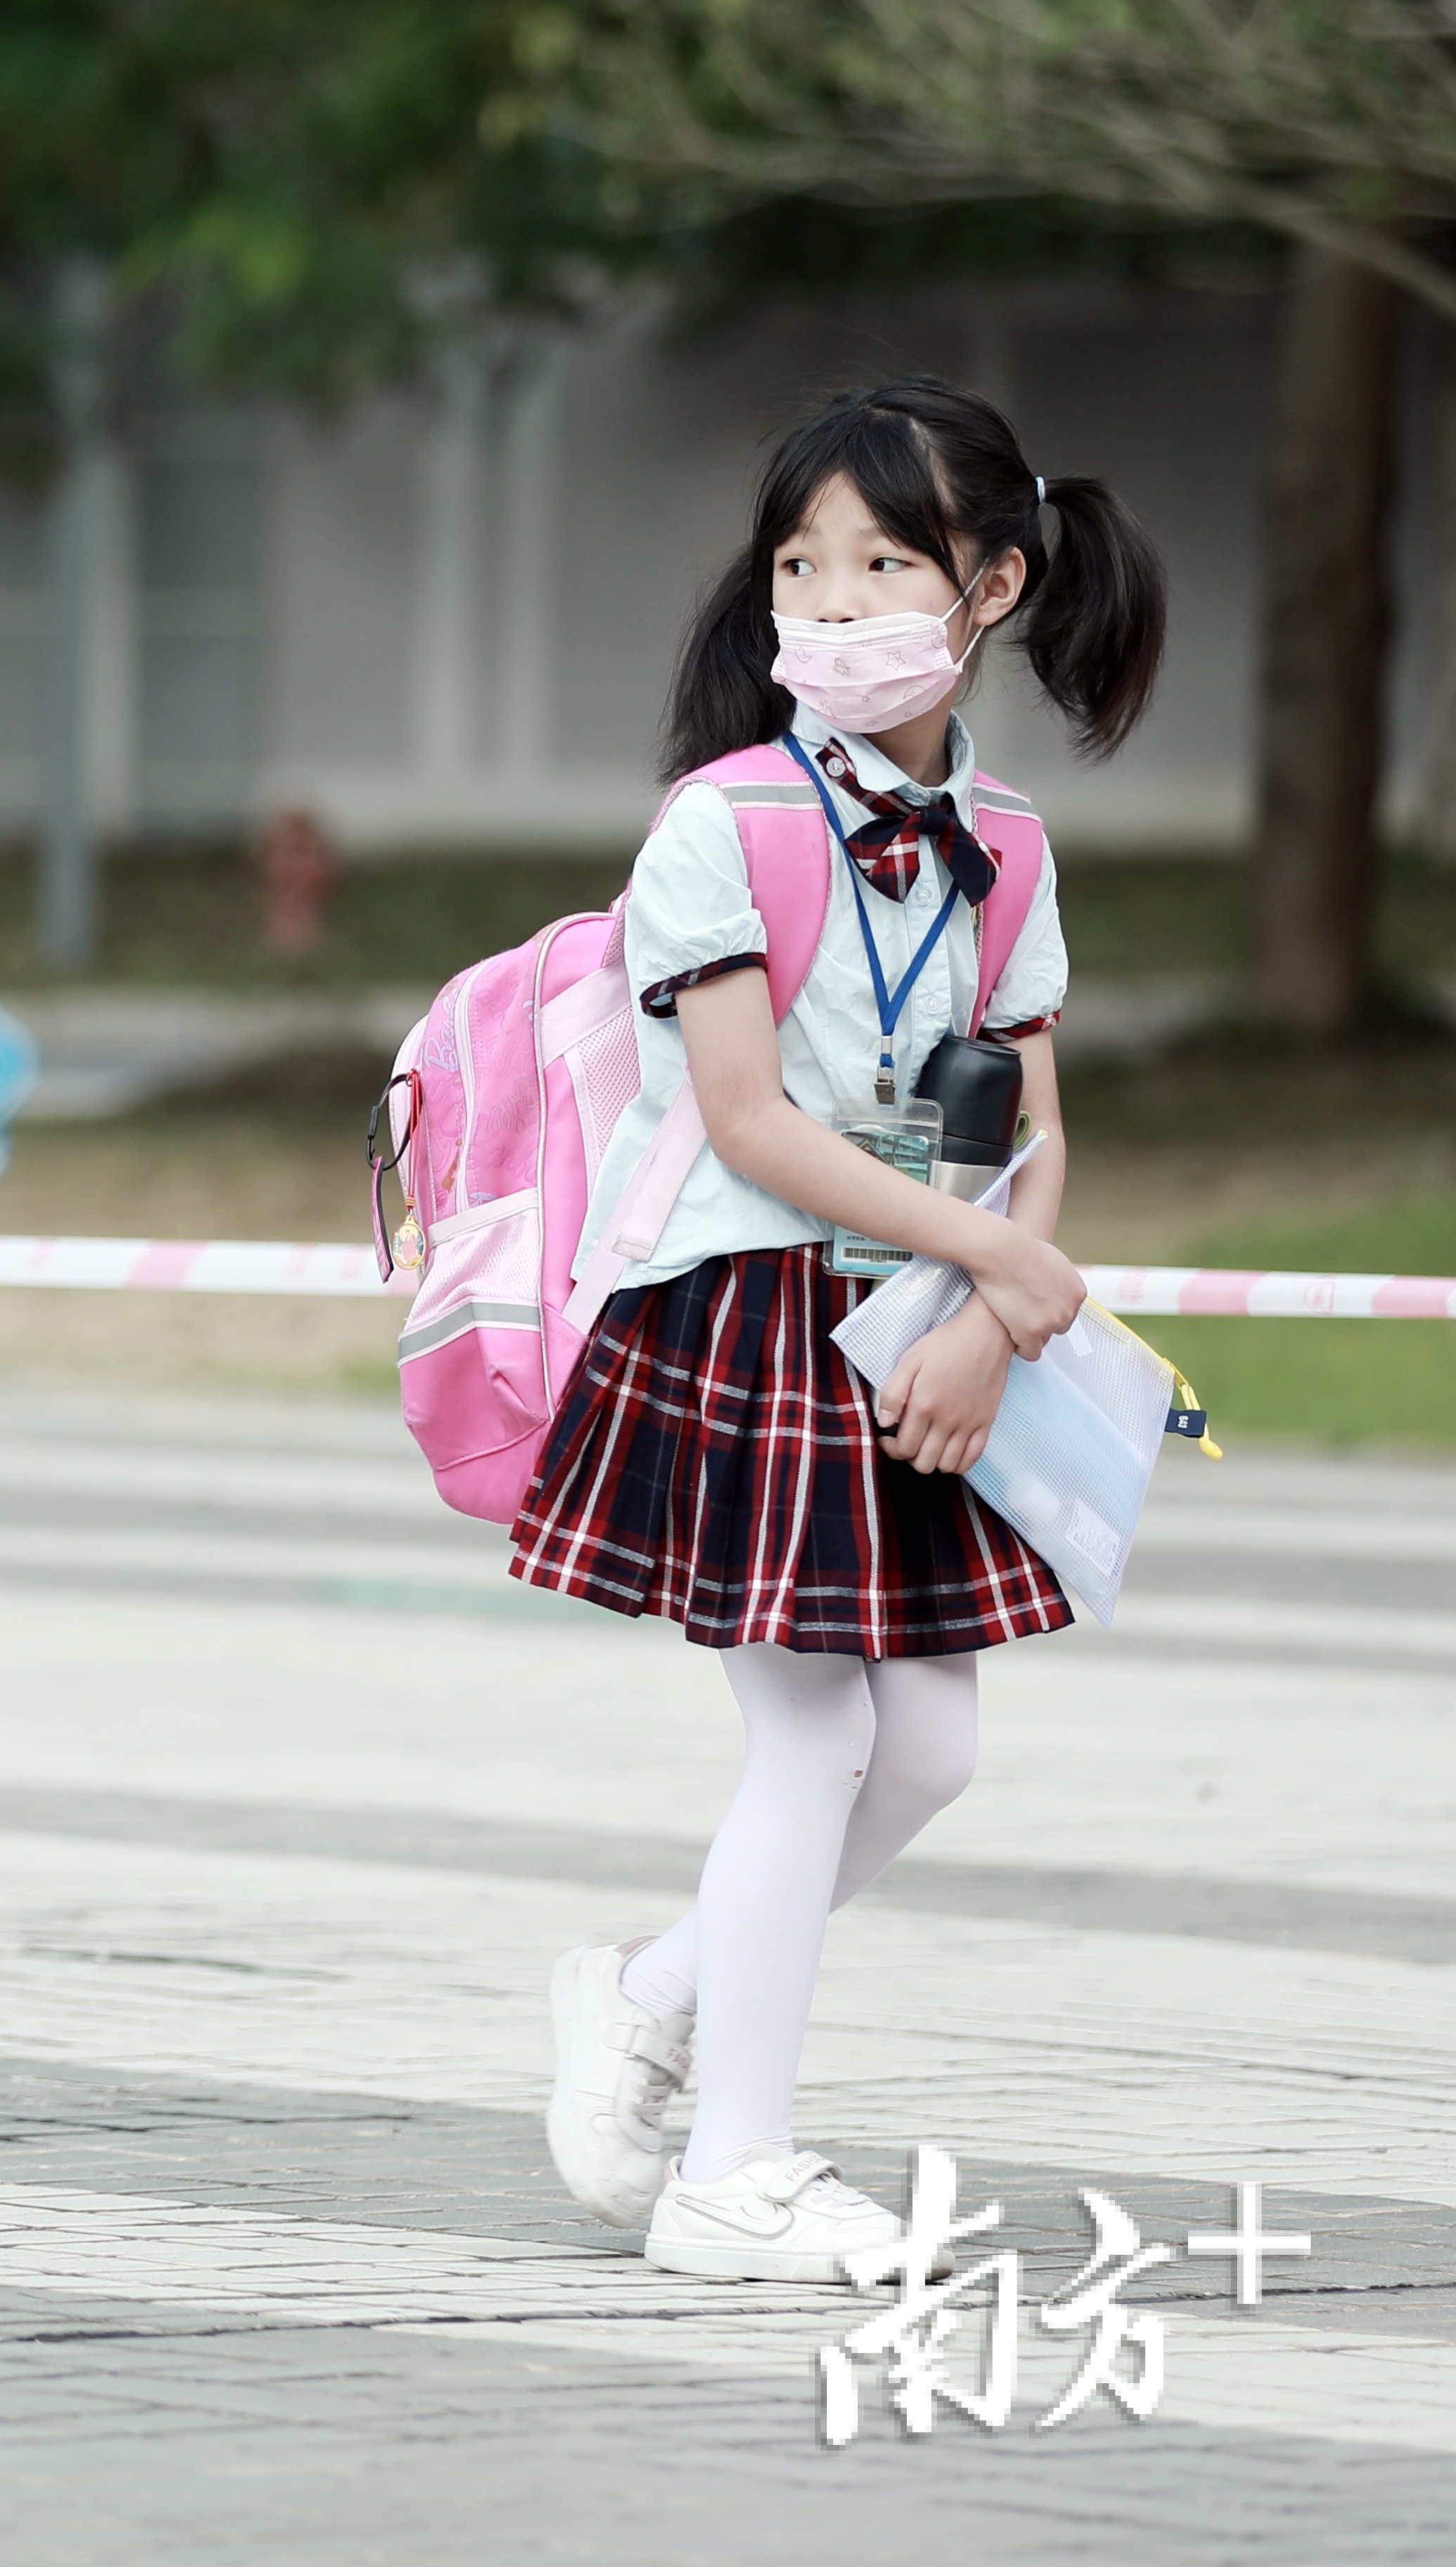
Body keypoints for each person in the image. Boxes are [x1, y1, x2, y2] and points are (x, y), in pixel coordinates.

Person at [524, 377, 1166, 2281]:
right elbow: (746, 1118)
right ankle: (735, 2166)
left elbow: (1028, 1116)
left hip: (913, 1320)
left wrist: (991, 1301)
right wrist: (996, 1275)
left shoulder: (1008, 844)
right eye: (801, 564)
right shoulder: (718, 823)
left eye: (883, 562)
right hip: (748, 1307)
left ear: (988, 588)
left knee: (934, 1748)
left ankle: (642, 2000)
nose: (832, 600)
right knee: (808, 1742)